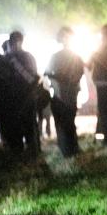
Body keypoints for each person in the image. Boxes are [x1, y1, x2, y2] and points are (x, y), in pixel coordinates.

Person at [0, 31, 40, 153]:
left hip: (25, 98)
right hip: (13, 100)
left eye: (15, 41)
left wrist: (16, 65)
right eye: (12, 42)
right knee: (16, 129)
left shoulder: (25, 57)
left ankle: (31, 152)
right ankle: (22, 152)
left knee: (28, 127)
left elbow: (31, 79)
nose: (14, 44)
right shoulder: (8, 58)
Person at [45, 27, 85, 157]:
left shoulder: (71, 57)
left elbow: (78, 74)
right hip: (60, 93)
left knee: (66, 120)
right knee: (65, 120)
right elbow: (48, 73)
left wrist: (61, 77)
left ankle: (69, 147)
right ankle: (68, 147)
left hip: (66, 93)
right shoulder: (61, 56)